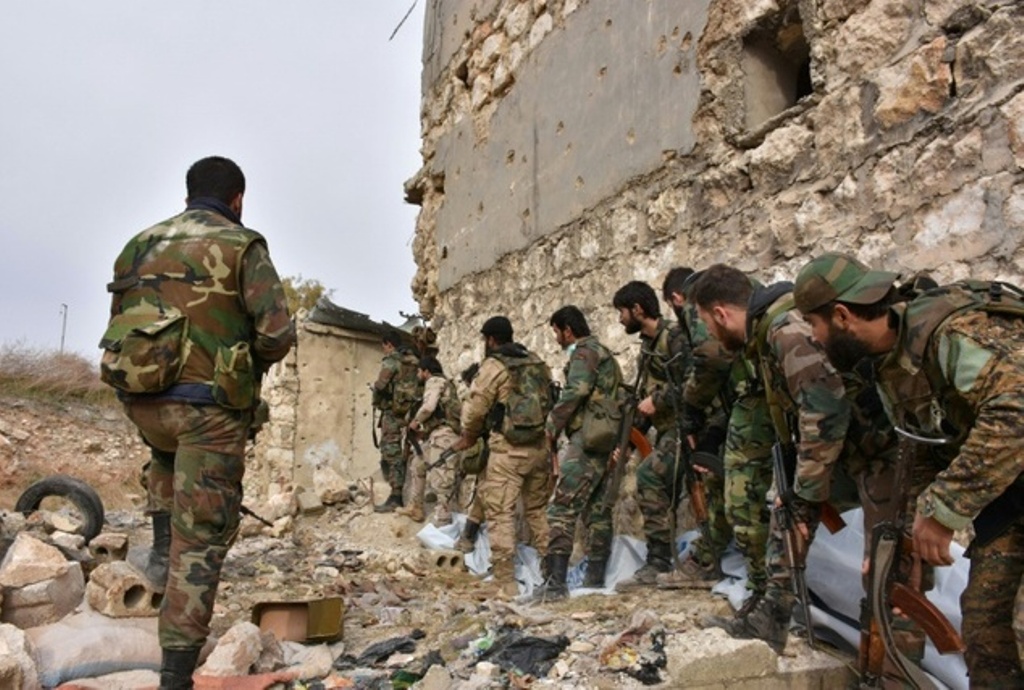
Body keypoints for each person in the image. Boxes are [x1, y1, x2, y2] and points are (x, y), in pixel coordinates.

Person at [98, 156, 294, 690]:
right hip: (206, 411)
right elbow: (277, 335)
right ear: (238, 199)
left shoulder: (139, 244)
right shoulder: (242, 245)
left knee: (165, 465)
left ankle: (161, 558)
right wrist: (241, 364)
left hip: (144, 402)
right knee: (201, 536)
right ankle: (175, 674)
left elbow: (121, 325)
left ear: (188, 194)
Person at [793, 252, 1024, 686]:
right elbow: (921, 448)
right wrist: (903, 547)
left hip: (1011, 474)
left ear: (841, 315)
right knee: (984, 627)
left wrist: (943, 511)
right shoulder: (891, 362)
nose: (813, 338)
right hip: (1010, 495)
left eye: (813, 324)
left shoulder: (952, 332)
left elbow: (1016, 411)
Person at [691, 264, 849, 652]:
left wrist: (805, 491)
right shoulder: (766, 333)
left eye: (708, 325)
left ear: (721, 314)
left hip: (862, 447)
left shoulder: (784, 330)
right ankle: (769, 618)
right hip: (829, 443)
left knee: (792, 514)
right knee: (785, 518)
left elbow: (824, 408)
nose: (710, 335)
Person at [451, 316, 553, 596]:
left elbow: (474, 410)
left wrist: (469, 435)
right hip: (538, 448)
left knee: (500, 513)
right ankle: (553, 573)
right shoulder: (536, 362)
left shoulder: (494, 366)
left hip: (508, 451)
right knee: (537, 510)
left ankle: (504, 581)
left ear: (491, 340)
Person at [532, 305, 622, 601]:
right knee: (596, 509)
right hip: (603, 438)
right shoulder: (605, 353)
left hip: (587, 439)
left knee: (561, 507)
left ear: (567, 330)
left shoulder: (585, 352)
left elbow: (576, 391)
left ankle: (555, 583)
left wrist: (552, 425)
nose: (557, 338)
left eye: (556, 332)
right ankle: (595, 577)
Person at [657, 267, 736, 589]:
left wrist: (691, 408)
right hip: (737, 406)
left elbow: (710, 357)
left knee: (725, 487)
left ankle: (708, 561)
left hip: (737, 408)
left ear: (677, 298)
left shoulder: (694, 303)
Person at [611, 281, 691, 590]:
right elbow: (643, 402)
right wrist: (630, 441)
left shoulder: (674, 337)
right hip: (668, 429)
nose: (620, 319)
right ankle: (663, 558)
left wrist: (657, 400)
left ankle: (659, 559)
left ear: (637, 309)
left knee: (649, 476)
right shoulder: (647, 347)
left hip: (688, 427)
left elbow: (693, 381)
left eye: (622, 312)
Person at [399, 355, 463, 524]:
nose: (418, 375)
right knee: (417, 464)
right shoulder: (445, 384)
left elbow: (428, 407)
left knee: (441, 479)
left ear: (426, 371)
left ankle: (443, 521)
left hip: (444, 436)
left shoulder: (434, 381)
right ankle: (416, 507)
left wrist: (415, 422)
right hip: (436, 435)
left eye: (419, 371)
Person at [371, 330, 422, 512]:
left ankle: (396, 496)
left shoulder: (391, 360)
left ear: (389, 344)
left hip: (393, 413)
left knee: (391, 451)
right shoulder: (415, 361)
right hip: (412, 413)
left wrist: (376, 396)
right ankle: (411, 495)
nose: (384, 350)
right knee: (409, 451)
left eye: (384, 347)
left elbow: (381, 385)